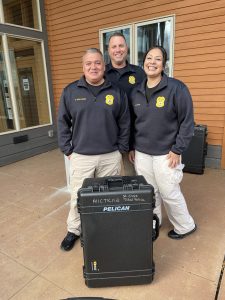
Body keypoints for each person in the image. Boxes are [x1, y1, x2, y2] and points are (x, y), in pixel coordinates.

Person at [58, 48, 130, 251]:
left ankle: (106, 229)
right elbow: (62, 123)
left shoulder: (116, 92)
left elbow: (125, 122)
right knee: (78, 197)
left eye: (97, 63)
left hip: (110, 156)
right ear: (83, 67)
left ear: (104, 66)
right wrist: (68, 150)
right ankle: (74, 230)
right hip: (81, 156)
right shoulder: (70, 91)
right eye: (89, 63)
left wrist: (121, 149)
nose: (93, 67)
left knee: (108, 196)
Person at [129, 46, 197, 239]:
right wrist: (133, 146)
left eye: (157, 59)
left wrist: (177, 149)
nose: (152, 62)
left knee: (169, 192)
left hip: (167, 153)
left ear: (164, 64)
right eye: (149, 58)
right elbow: (134, 123)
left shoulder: (177, 88)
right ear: (144, 63)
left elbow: (187, 122)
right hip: (142, 152)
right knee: (150, 192)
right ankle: (154, 222)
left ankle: (185, 225)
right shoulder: (136, 92)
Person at [105, 32, 146, 175]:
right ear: (108, 50)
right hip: (107, 141)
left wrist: (134, 145)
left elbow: (146, 107)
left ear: (126, 48)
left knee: (132, 182)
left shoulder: (139, 73)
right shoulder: (101, 74)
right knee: (110, 185)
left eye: (121, 45)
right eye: (113, 46)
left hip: (132, 141)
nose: (118, 50)